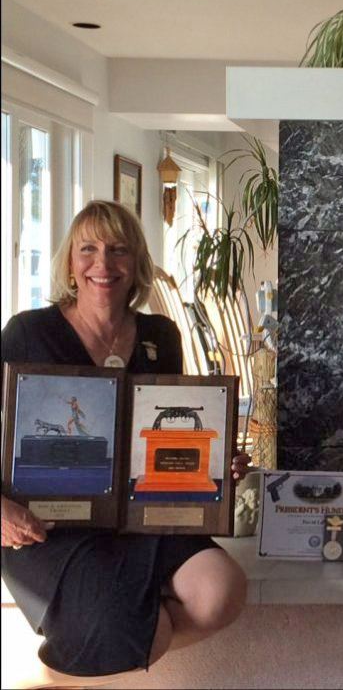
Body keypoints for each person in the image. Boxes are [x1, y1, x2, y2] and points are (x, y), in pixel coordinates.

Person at [1, 200, 250, 688]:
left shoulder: (161, 334)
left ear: (136, 261)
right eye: (88, 249)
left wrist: (215, 463)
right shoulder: (28, 332)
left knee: (222, 589)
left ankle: (94, 651)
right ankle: (78, 661)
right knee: (133, 621)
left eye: (117, 250)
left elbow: (172, 432)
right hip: (49, 525)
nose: (103, 264)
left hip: (144, 517)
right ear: (70, 263)